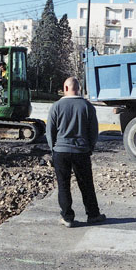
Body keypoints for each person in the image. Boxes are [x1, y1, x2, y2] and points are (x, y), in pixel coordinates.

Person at [45, 77, 105, 227]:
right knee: (86, 184)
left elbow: (50, 131)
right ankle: (93, 215)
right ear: (78, 88)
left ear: (65, 88)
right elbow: (94, 132)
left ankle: (67, 217)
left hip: (61, 151)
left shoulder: (56, 106)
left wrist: (54, 149)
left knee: (63, 185)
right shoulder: (87, 106)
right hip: (81, 151)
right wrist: (89, 148)